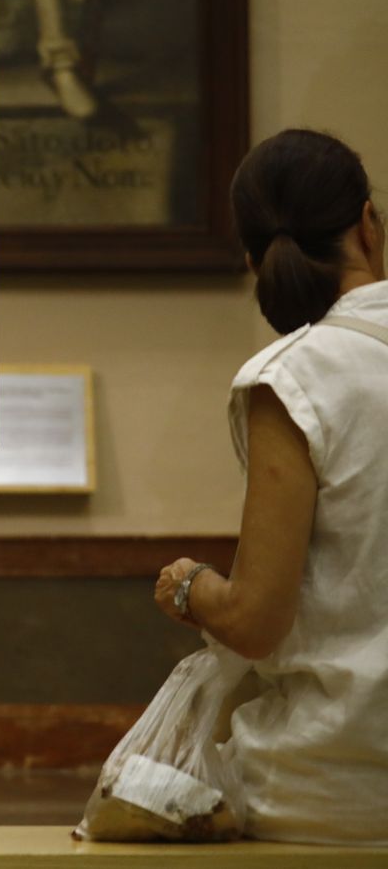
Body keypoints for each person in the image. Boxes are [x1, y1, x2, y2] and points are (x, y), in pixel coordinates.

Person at [152, 129, 388, 845]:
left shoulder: (293, 378)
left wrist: (189, 586)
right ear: (369, 224)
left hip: (335, 787)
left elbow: (256, 620)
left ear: (255, 259)